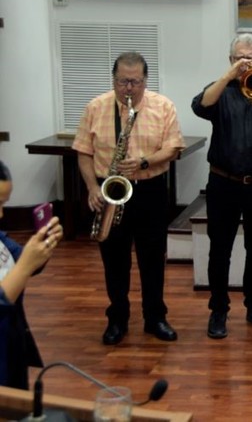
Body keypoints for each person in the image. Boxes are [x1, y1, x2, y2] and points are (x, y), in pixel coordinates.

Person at [74, 52, 185, 345]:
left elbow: (173, 147)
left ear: (145, 80)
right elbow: (83, 151)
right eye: (123, 81)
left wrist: (144, 162)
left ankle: (155, 317)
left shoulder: (163, 106)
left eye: (135, 82)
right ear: (113, 80)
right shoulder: (96, 107)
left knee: (153, 258)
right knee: (114, 259)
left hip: (150, 189)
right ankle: (117, 319)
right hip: (109, 189)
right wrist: (92, 188)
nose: (129, 88)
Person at [192, 34, 252, 339]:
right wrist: (228, 77)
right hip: (223, 183)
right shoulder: (220, 90)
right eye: (240, 58)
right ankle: (218, 309)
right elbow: (200, 106)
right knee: (219, 249)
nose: (246, 63)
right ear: (231, 60)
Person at [0, 160, 63, 389]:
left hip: (11, 346)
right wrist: (26, 265)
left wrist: (43, 247)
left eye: (4, 204)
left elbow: (24, 260)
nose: (1, 214)